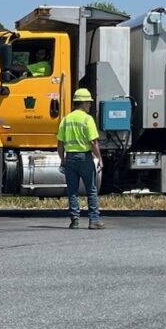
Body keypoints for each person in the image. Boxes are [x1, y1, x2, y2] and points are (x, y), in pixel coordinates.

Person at [57, 88, 104, 230]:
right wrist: (99, 159)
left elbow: (60, 144)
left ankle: (74, 220)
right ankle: (94, 220)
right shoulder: (87, 119)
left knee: (72, 191)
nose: (90, 105)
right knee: (91, 190)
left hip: (70, 158)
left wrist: (62, 159)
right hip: (85, 158)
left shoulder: (66, 120)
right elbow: (93, 143)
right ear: (83, 103)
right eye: (88, 103)